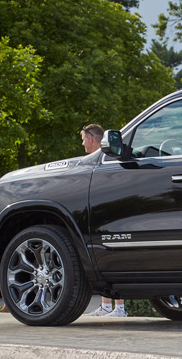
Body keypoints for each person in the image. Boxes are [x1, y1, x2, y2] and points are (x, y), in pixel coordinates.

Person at [82, 124, 127, 317]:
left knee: (115, 255)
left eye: (84, 139)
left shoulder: (108, 160)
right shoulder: (102, 161)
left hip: (115, 216)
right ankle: (107, 306)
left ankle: (120, 308)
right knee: (104, 256)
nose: (83, 143)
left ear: (91, 139)